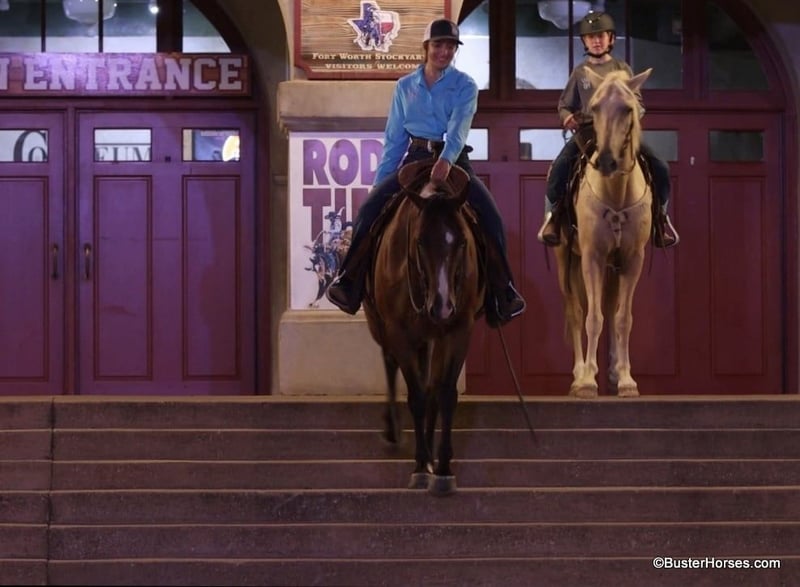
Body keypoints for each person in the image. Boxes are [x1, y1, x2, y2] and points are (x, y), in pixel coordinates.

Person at [326, 18, 526, 327]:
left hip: (454, 160)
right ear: (426, 47)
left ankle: (503, 291)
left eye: (450, 46)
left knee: (491, 216)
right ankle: (348, 281)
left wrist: (446, 160)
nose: (444, 51)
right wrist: (381, 183)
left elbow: (459, 129)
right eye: (438, 45)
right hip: (416, 157)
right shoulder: (405, 87)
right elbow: (395, 140)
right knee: (369, 209)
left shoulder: (465, 85)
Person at [537, 11, 679, 249]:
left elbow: (638, 102)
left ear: (610, 38)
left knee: (660, 166)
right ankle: (553, 219)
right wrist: (567, 117)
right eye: (591, 37)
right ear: (584, 41)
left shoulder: (622, 68)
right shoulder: (580, 73)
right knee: (560, 167)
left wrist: (631, 114)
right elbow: (564, 105)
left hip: (620, 134)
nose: (596, 41)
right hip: (587, 133)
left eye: (601, 36)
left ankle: (660, 220)